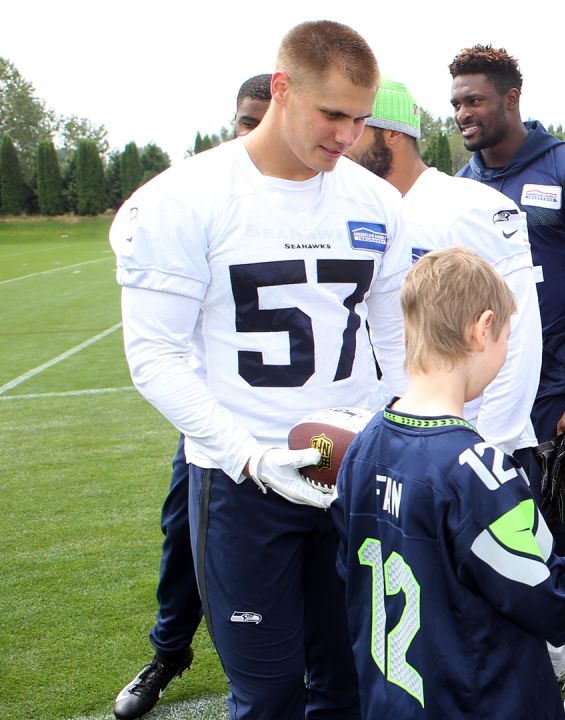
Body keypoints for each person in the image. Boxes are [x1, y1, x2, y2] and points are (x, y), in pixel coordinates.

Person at [109, 21, 409, 719]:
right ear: (281, 88)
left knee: (349, 683)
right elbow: (152, 356)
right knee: (268, 695)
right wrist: (249, 457)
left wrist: (390, 425)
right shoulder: (185, 198)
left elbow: (394, 336)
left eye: (361, 119)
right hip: (243, 484)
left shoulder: (374, 201)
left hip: (349, 471)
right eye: (332, 113)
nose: (347, 135)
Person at [331, 247, 565, 720]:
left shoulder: (363, 445)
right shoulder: (476, 470)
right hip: (478, 702)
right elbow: (552, 601)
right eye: (506, 336)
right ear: (483, 329)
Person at [450, 44, 565, 719]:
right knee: (498, 527)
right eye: (457, 102)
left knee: (563, 531)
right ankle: (538, 652)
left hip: (555, 391)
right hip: (487, 389)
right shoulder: (461, 186)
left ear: (510, 100)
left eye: (475, 100)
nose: (464, 112)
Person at [111, 70, 275, 720]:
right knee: (184, 534)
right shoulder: (205, 198)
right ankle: (169, 651)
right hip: (218, 427)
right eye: (246, 121)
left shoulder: (326, 202)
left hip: (309, 427)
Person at [348, 77, 542, 459]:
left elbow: (518, 331)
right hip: (400, 435)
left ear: (390, 134)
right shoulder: (363, 211)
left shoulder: (468, 206)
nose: (342, 140)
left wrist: (488, 444)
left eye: (356, 126)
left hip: (472, 438)